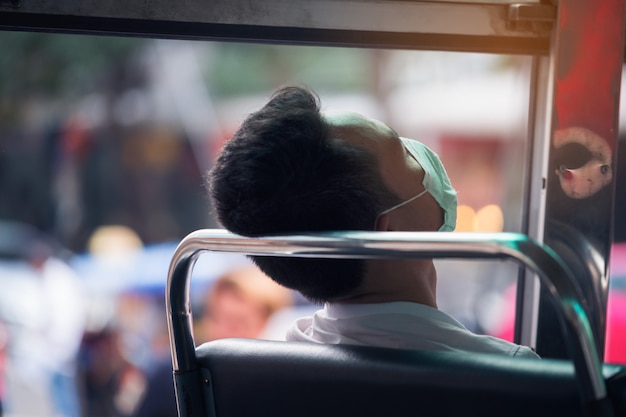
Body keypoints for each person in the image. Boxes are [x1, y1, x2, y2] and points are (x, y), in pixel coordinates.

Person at [208, 85, 539, 359]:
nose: (421, 154)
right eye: (402, 153)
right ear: (387, 231)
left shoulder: (262, 367)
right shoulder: (510, 372)